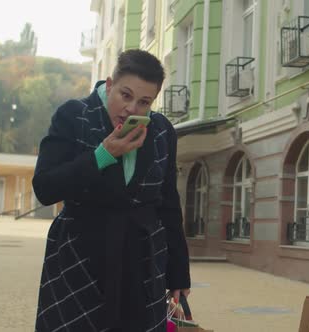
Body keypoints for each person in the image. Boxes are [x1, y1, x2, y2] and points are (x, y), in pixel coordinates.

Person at [32, 49, 190, 331]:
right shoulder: (74, 115)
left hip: (143, 259)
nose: (132, 109)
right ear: (109, 84)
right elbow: (45, 187)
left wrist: (178, 273)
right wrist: (104, 154)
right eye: (125, 95)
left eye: (145, 102)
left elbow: (168, 205)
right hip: (80, 256)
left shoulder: (163, 130)